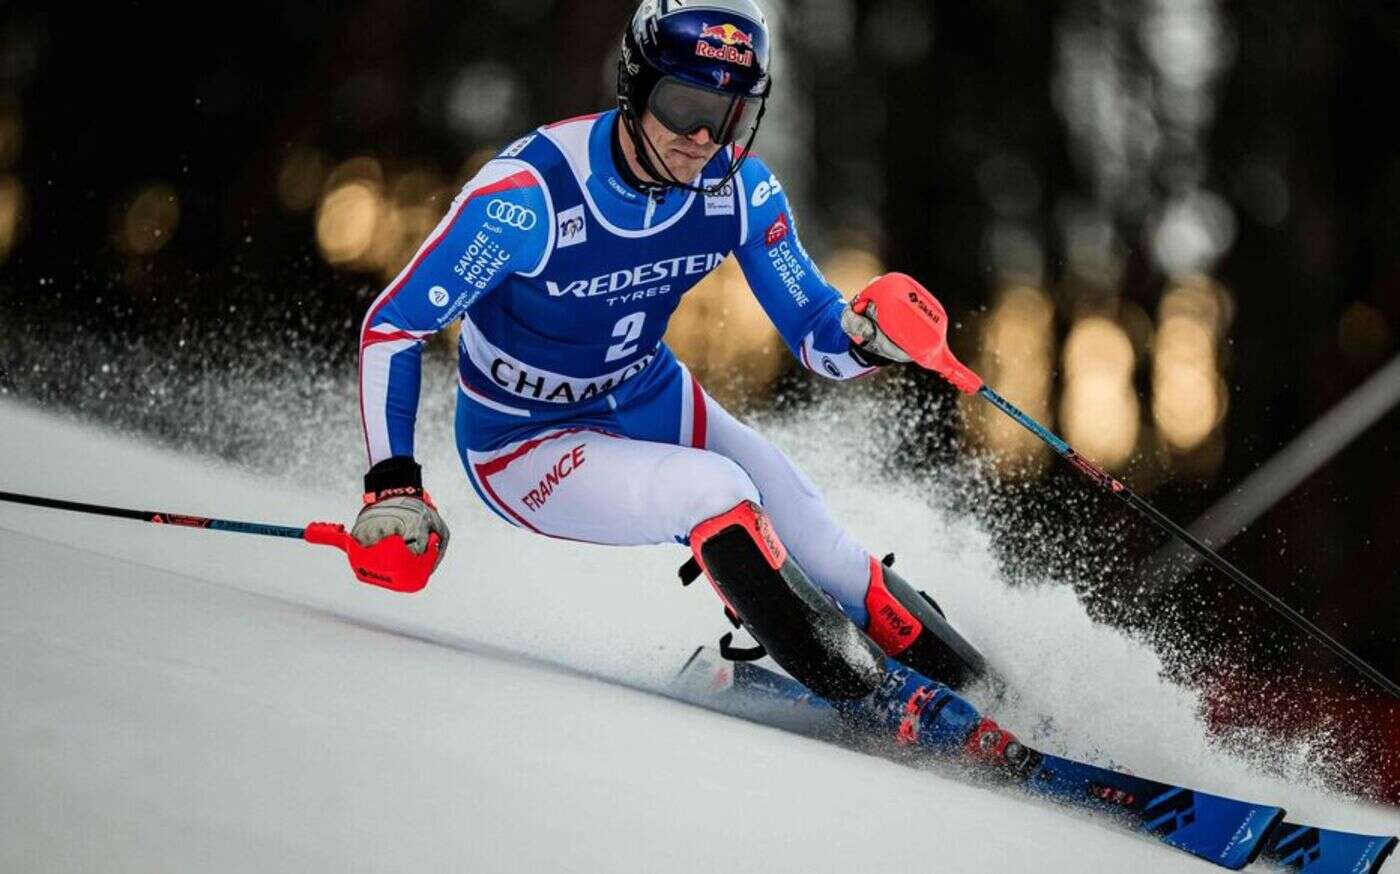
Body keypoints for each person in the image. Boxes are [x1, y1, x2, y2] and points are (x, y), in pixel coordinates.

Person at [352, 0, 1025, 764]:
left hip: (647, 397)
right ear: (636, 87)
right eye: (684, 106)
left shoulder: (737, 191)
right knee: (715, 494)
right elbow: (393, 325)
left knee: (833, 556)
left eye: (729, 115)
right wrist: (395, 484)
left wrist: (869, 339)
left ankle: (1013, 711)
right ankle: (884, 706)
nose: (703, 138)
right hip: (524, 443)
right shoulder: (527, 198)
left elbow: (815, 334)